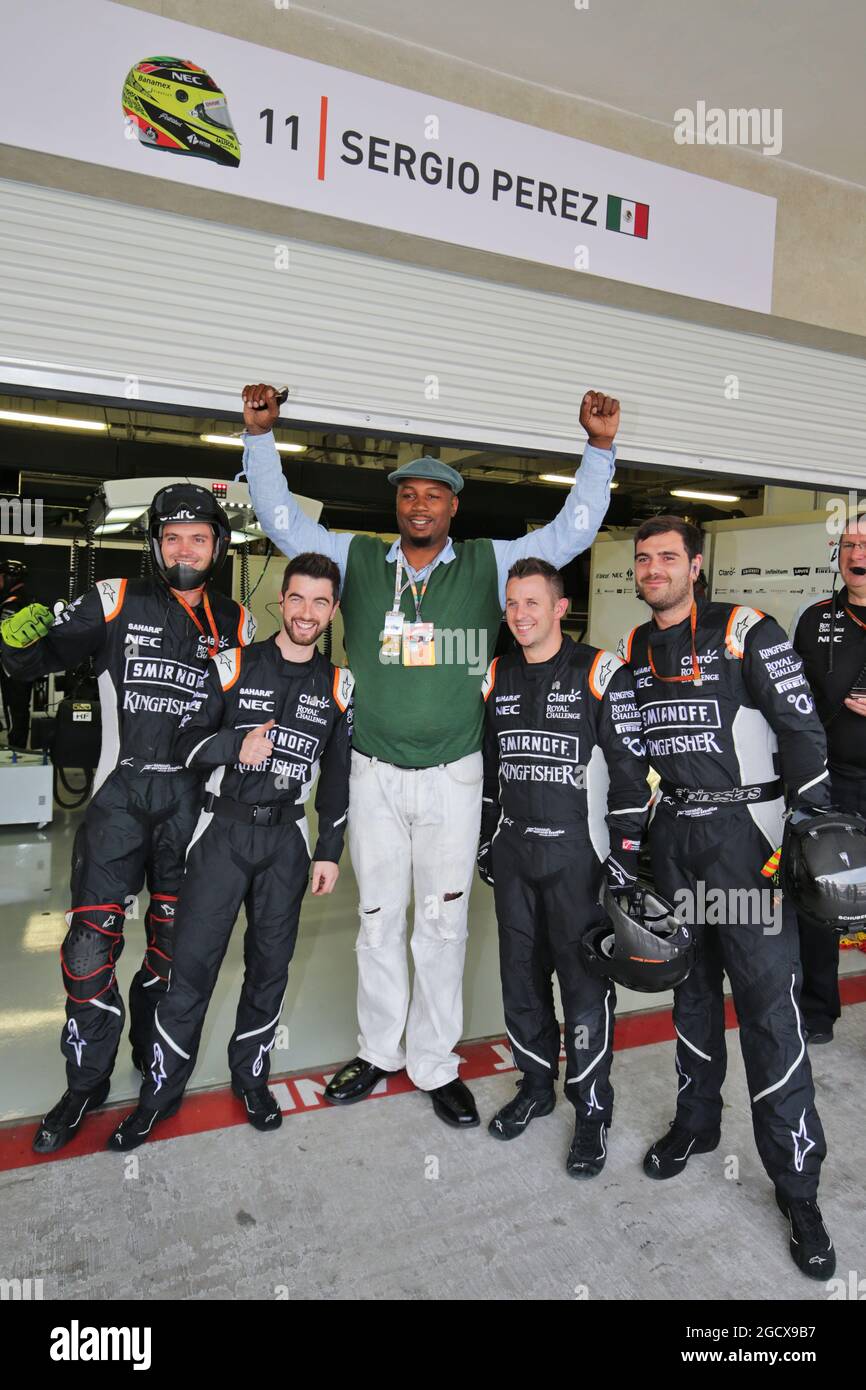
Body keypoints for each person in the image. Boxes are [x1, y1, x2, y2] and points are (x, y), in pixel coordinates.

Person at [239, 382, 619, 1128]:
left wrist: (599, 451)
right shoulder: (357, 563)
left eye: (433, 496)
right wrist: (259, 436)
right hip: (376, 774)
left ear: (453, 506)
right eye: (407, 495)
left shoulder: (490, 563)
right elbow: (283, 522)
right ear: (398, 505)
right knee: (378, 920)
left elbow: (570, 534)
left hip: (454, 776)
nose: (418, 505)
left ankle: (435, 1064)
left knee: (443, 926)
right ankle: (379, 1051)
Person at [0, 485, 256, 1153]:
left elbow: (247, 726)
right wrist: (15, 637)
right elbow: (37, 658)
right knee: (87, 954)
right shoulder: (114, 598)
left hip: (192, 816)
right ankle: (84, 1083)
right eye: (171, 537)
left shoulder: (240, 624)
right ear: (154, 545)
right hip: (117, 805)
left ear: (218, 546)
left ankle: (154, 1064)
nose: (184, 548)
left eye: (197, 536)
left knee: (172, 961)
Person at [618, 515, 835, 1279]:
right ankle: (696, 1125)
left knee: (770, 1009)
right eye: (643, 560)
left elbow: (804, 731)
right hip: (676, 841)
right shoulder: (634, 649)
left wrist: (804, 831)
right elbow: (629, 754)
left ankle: (798, 1184)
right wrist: (630, 846)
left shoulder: (748, 630)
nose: (653, 570)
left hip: (751, 851)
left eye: (667, 558)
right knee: (691, 995)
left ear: (696, 565)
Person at [108, 554, 353, 1148]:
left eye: (321, 602)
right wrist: (232, 745)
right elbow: (184, 743)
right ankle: (160, 1093)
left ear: (333, 610)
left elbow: (341, 780)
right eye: (297, 599)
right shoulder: (232, 665)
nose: (307, 613)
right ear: (282, 600)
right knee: (191, 968)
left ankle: (251, 1079)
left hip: (287, 844)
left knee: (270, 970)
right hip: (220, 837)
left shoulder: (340, 685)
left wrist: (328, 850)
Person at [478, 558, 651, 1175]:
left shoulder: (601, 671)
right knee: (519, 982)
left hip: (581, 861)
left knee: (583, 992)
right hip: (516, 857)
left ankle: (593, 1109)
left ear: (560, 607)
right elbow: (492, 772)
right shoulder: (497, 673)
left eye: (533, 603)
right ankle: (534, 1085)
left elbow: (630, 775)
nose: (521, 615)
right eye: (512, 604)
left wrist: (626, 856)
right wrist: (484, 839)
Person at [791, 511, 866, 1041]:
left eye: (865, 543)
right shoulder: (815, 618)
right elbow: (792, 701)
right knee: (820, 896)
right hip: (829, 782)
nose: (856, 553)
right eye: (847, 543)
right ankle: (819, 1011)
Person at [0, 557, 35, 748]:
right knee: (21, 709)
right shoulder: (27, 598)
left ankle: (15, 750)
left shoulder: (12, 603)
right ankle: (18, 748)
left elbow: (5, 636)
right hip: (26, 665)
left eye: (1, 577)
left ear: (10, 578)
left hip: (13, 668)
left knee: (15, 711)